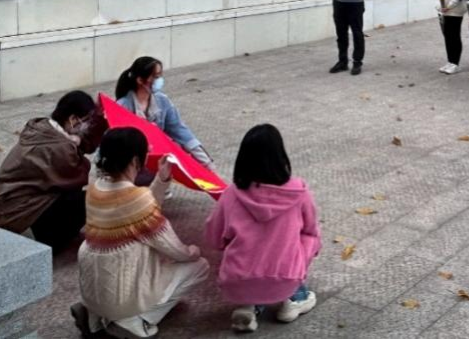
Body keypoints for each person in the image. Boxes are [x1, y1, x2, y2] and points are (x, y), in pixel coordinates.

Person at [71, 127, 209, 339]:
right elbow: (172, 247)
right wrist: (193, 251)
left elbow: (139, 210)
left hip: (92, 291)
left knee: (135, 247)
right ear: (136, 161)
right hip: (121, 294)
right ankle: (137, 321)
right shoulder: (136, 199)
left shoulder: (95, 189)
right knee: (199, 266)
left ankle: (94, 315)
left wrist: (161, 179)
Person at [205, 124, 321, 333]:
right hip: (285, 277)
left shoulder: (231, 194)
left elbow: (214, 238)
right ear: (280, 156)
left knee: (239, 248)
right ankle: (293, 300)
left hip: (237, 280)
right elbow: (311, 230)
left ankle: (249, 305)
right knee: (310, 238)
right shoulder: (298, 192)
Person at [0, 90, 104, 251]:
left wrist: (78, 140)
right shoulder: (60, 148)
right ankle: (51, 241)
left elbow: (83, 145)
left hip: (4, 210)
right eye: (87, 121)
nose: (88, 126)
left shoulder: (43, 129)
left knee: (70, 191)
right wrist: (75, 144)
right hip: (18, 219)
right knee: (92, 198)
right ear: (73, 119)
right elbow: (81, 172)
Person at [115, 57, 213, 167]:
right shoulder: (122, 107)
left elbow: (180, 131)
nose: (159, 81)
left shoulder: (162, 101)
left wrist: (206, 163)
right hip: (132, 166)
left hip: (158, 163)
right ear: (140, 80)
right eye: (156, 77)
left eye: (160, 76)